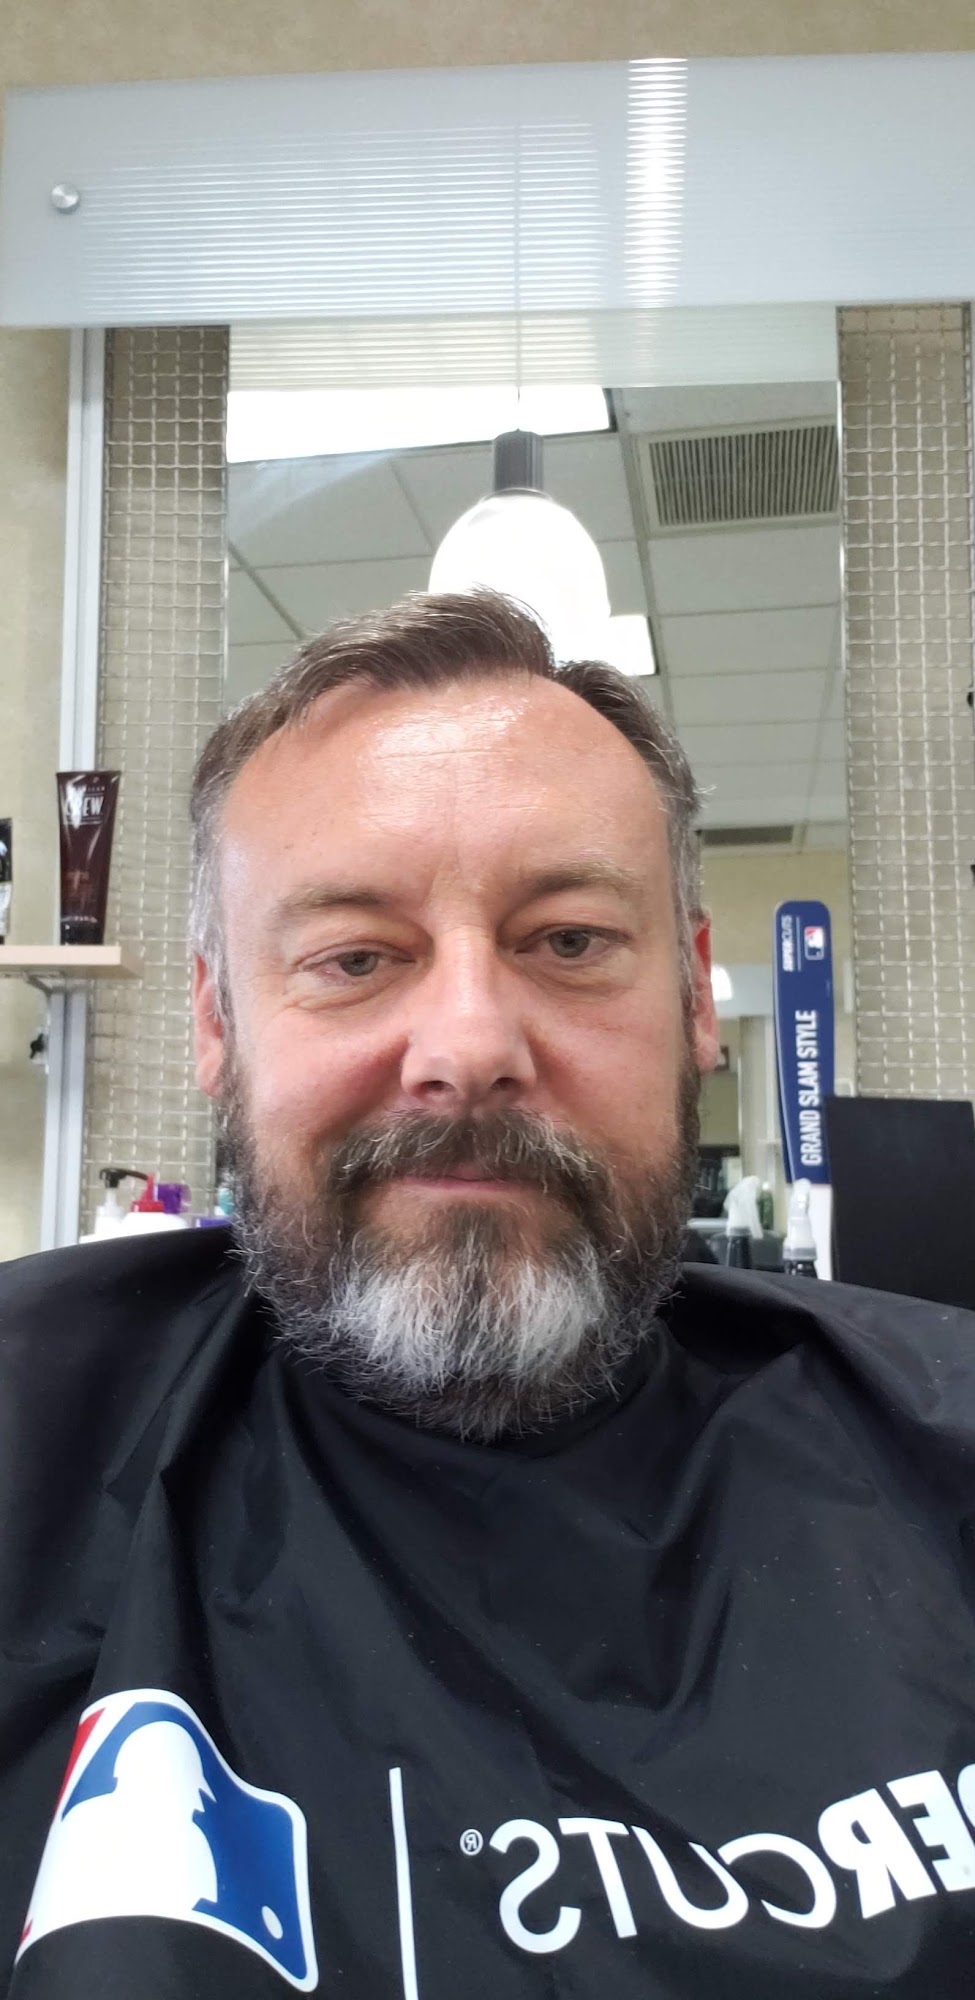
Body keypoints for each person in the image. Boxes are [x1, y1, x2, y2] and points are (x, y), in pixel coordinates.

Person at [1, 589, 974, 1999]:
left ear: (693, 998)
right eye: (355, 958)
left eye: (567, 940)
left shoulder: (946, 1447)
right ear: (219, 1024)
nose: (467, 1045)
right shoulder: (25, 1448)